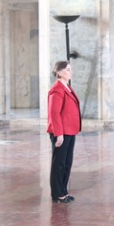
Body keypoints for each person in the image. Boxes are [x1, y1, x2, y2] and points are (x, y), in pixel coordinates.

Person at [47, 61, 81, 203]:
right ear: (59, 72)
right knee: (59, 163)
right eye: (67, 69)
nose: (70, 72)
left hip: (70, 131)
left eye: (70, 69)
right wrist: (59, 134)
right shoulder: (57, 89)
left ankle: (63, 191)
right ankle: (57, 193)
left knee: (67, 162)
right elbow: (54, 113)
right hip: (61, 132)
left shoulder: (67, 87)